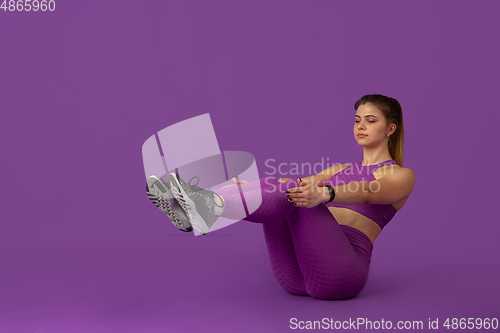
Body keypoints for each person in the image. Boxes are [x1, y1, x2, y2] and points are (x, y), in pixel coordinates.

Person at [146, 94, 415, 300]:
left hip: (341, 273)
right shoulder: (341, 169)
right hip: (295, 276)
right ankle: (202, 204)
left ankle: (207, 206)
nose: (361, 126)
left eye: (370, 120)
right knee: (284, 185)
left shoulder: (401, 175)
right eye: (357, 120)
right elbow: (290, 184)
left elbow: (369, 193)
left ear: (390, 129)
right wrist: (250, 187)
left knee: (297, 193)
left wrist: (326, 193)